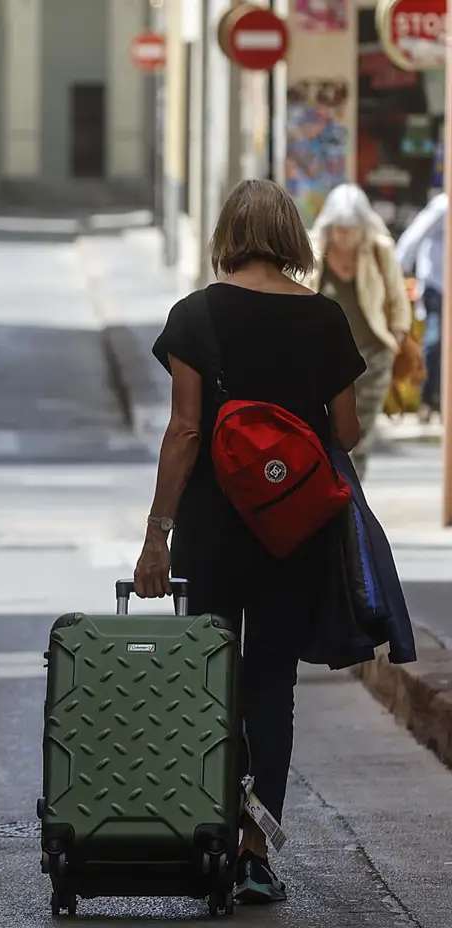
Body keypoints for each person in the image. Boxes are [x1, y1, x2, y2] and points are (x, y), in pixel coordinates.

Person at [134, 179, 365, 906]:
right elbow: (349, 432)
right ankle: (257, 851)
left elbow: (185, 431)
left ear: (227, 233)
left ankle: (210, 832)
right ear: (292, 236)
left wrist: (156, 536)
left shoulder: (195, 315)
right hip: (293, 531)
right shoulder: (325, 318)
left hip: (212, 529)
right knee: (272, 686)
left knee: (212, 680)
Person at [302, 183, 412, 476]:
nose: (344, 236)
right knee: (324, 431)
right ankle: (330, 489)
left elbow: (397, 299)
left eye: (351, 229)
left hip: (371, 358)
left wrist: (396, 339)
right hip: (324, 361)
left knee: (360, 434)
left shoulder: (378, 250)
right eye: (338, 229)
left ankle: (354, 495)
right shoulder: (315, 251)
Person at [395, 190, 447, 423]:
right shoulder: (443, 206)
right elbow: (415, 234)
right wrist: (397, 269)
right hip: (438, 285)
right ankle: (427, 400)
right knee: (435, 343)